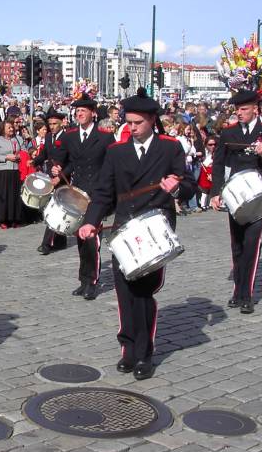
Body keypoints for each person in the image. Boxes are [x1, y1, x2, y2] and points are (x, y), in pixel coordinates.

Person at [77, 88, 196, 380]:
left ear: (152, 120)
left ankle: (144, 353)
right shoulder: (117, 151)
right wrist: (91, 221)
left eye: (137, 123)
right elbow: (104, 191)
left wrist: (176, 188)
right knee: (124, 292)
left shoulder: (170, 148)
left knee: (144, 293)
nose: (131, 128)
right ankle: (127, 348)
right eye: (128, 122)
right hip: (123, 230)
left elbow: (190, 184)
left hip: (155, 230)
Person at [209, 90, 262, 313]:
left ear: (255, 109)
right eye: (237, 109)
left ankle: (247, 293)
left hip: (260, 195)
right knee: (237, 243)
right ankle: (237, 289)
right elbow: (219, 162)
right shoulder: (229, 133)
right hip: (236, 194)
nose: (239, 113)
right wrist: (216, 192)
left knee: (252, 242)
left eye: (243, 109)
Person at [61, 95, 114, 299]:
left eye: (83, 110)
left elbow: (111, 167)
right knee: (81, 239)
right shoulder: (70, 136)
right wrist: (58, 170)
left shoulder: (105, 137)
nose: (79, 113)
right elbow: (67, 162)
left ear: (93, 113)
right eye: (77, 110)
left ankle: (92, 281)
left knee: (92, 239)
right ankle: (83, 279)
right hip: (77, 194)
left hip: (96, 195)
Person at [31, 110, 70, 255]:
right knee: (57, 210)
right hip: (50, 178)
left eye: (55, 124)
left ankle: (46, 244)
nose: (52, 127)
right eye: (50, 124)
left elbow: (71, 161)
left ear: (61, 123)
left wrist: (61, 175)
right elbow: (44, 154)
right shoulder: (48, 137)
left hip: (63, 179)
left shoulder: (67, 137)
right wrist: (34, 161)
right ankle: (61, 241)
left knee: (54, 211)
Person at [0, 118, 24, 229]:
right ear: (3, 129)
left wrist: (20, 156)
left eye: (12, 127)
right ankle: (3, 219)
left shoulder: (18, 139)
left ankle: (15, 218)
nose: (11, 129)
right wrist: (6, 157)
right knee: (4, 195)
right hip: (3, 170)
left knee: (14, 195)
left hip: (15, 170)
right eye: (8, 127)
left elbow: (24, 151)